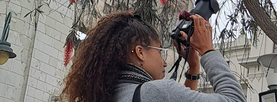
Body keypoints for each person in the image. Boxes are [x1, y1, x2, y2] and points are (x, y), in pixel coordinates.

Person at [60, 11, 245, 102]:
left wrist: (193, 68)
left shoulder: (108, 96)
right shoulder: (155, 92)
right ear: (140, 52)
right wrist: (207, 50)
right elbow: (235, 99)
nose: (164, 62)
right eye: (159, 51)